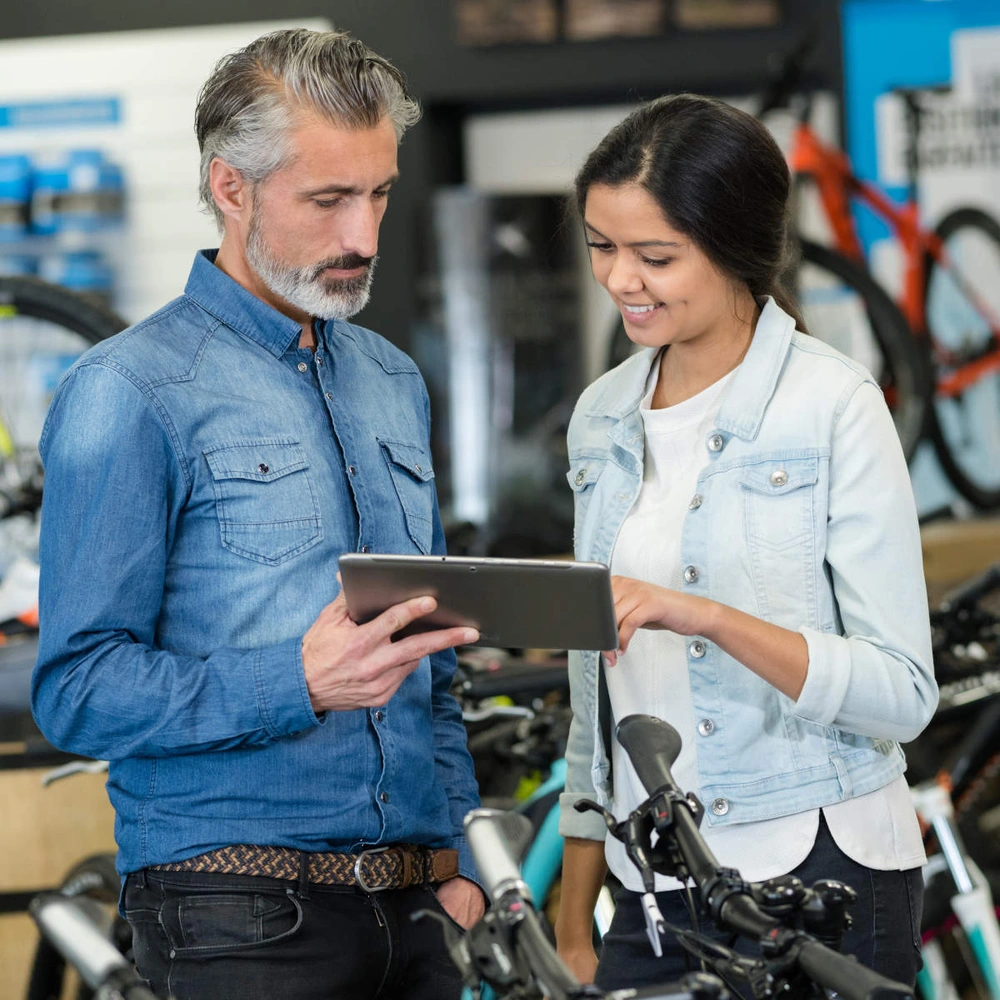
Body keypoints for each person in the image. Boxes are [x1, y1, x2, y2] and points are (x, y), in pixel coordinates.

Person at [33, 28, 484, 1000]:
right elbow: (76, 690)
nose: (363, 235)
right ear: (230, 186)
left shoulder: (393, 381)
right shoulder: (128, 391)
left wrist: (463, 854)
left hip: (419, 906)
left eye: (378, 193)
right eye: (327, 200)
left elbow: (429, 659)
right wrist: (295, 680)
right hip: (235, 916)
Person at [554, 94, 937, 992]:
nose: (619, 281)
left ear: (737, 249)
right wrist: (576, 908)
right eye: (601, 247)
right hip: (651, 883)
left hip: (819, 875)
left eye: (655, 256)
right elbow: (593, 694)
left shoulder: (834, 406)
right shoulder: (600, 414)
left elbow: (904, 693)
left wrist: (707, 616)